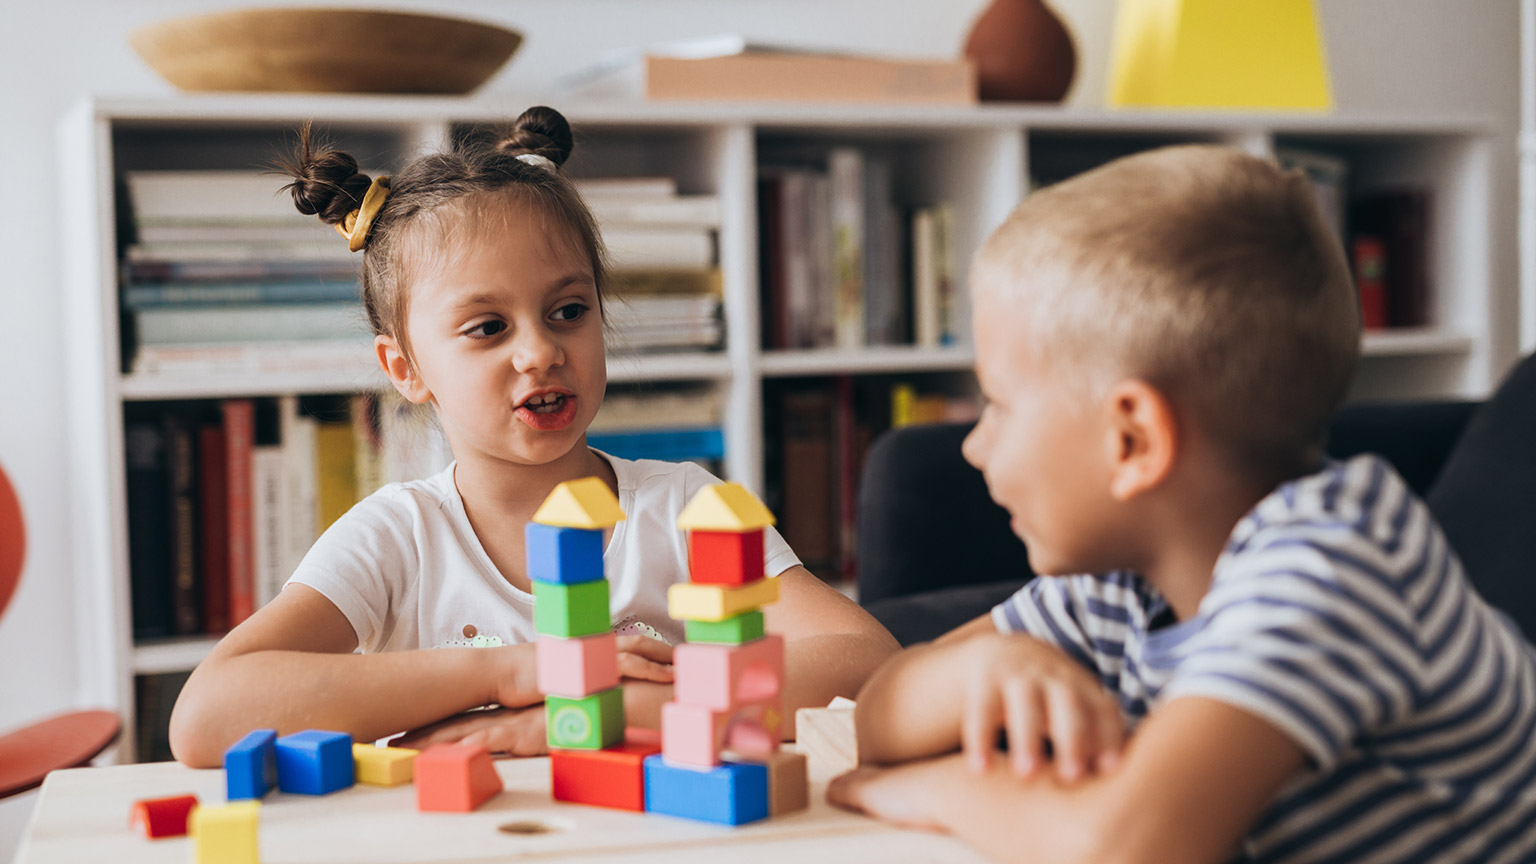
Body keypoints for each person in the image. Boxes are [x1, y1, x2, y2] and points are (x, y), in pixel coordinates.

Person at [829, 145, 1536, 863]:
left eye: (1000, 406)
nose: (975, 448)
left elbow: (1127, 849)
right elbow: (877, 716)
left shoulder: (1330, 571)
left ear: (1133, 440)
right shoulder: (1120, 580)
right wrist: (980, 670)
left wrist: (935, 793)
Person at [169, 106, 898, 768]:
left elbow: (868, 663)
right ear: (406, 367)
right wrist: (517, 671)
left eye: (569, 310)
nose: (541, 351)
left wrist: (588, 717)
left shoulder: (682, 509)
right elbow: (207, 718)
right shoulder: (399, 537)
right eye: (488, 327)